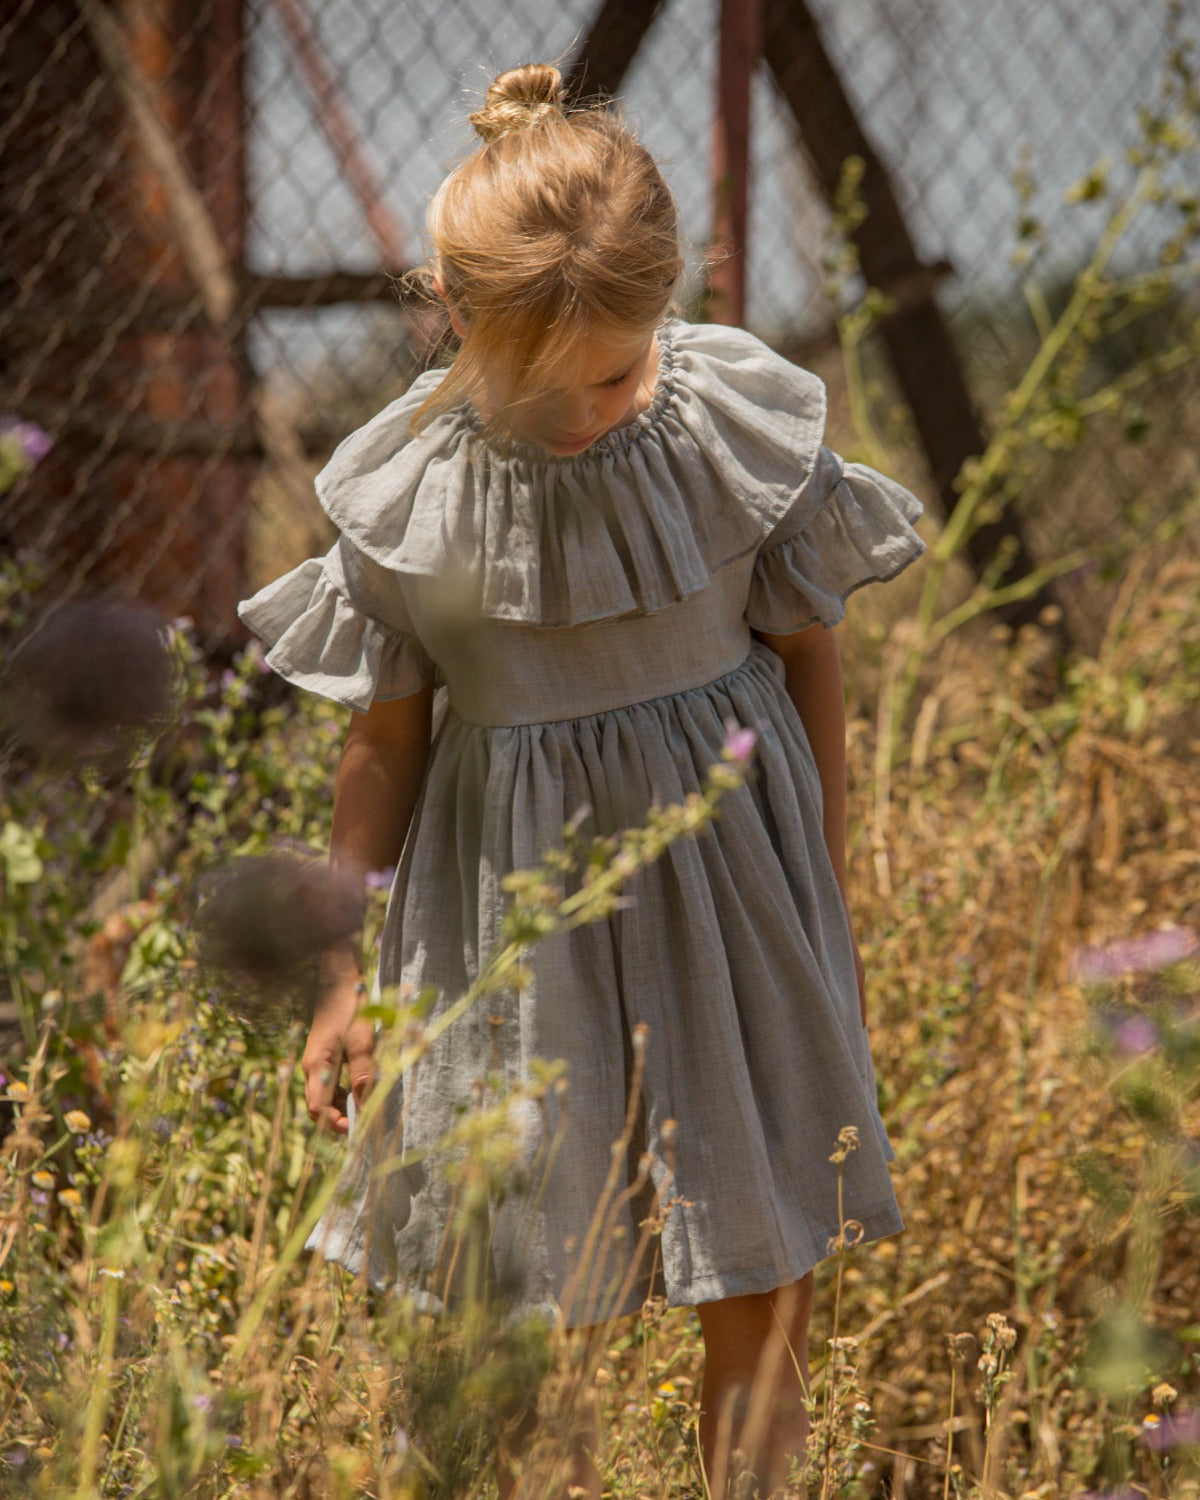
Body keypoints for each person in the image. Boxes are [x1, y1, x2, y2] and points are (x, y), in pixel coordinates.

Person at [239, 61, 923, 1497]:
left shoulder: (734, 436)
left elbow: (808, 665)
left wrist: (829, 890)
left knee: (761, 1260)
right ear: (455, 321)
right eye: (536, 384)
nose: (582, 416)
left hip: (735, 892)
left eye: (614, 375)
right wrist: (340, 973)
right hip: (509, 916)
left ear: (665, 310)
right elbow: (385, 739)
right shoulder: (412, 491)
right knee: (501, 1273)